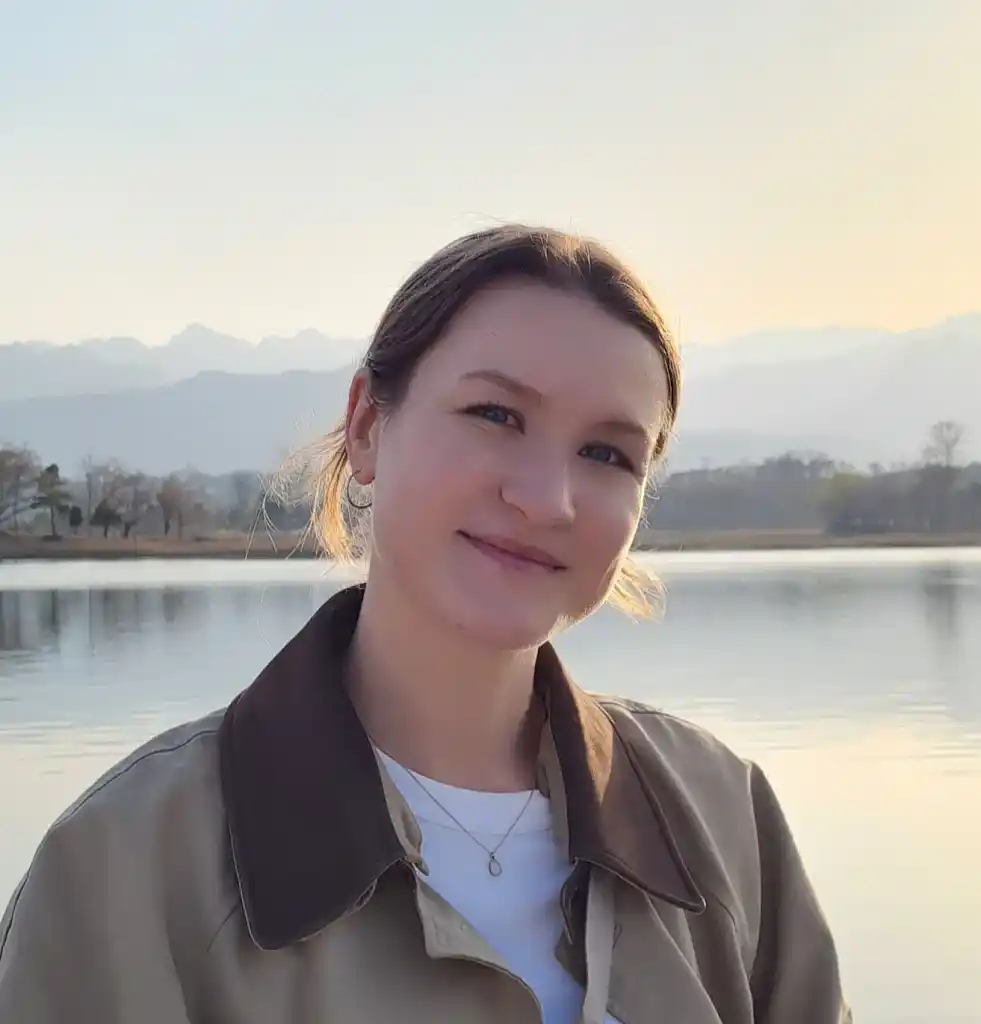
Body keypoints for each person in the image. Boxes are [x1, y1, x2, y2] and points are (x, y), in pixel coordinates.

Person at [0, 225, 851, 1024]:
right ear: (369, 426)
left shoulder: (720, 816)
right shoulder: (130, 861)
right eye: (495, 415)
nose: (544, 498)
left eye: (605, 454)